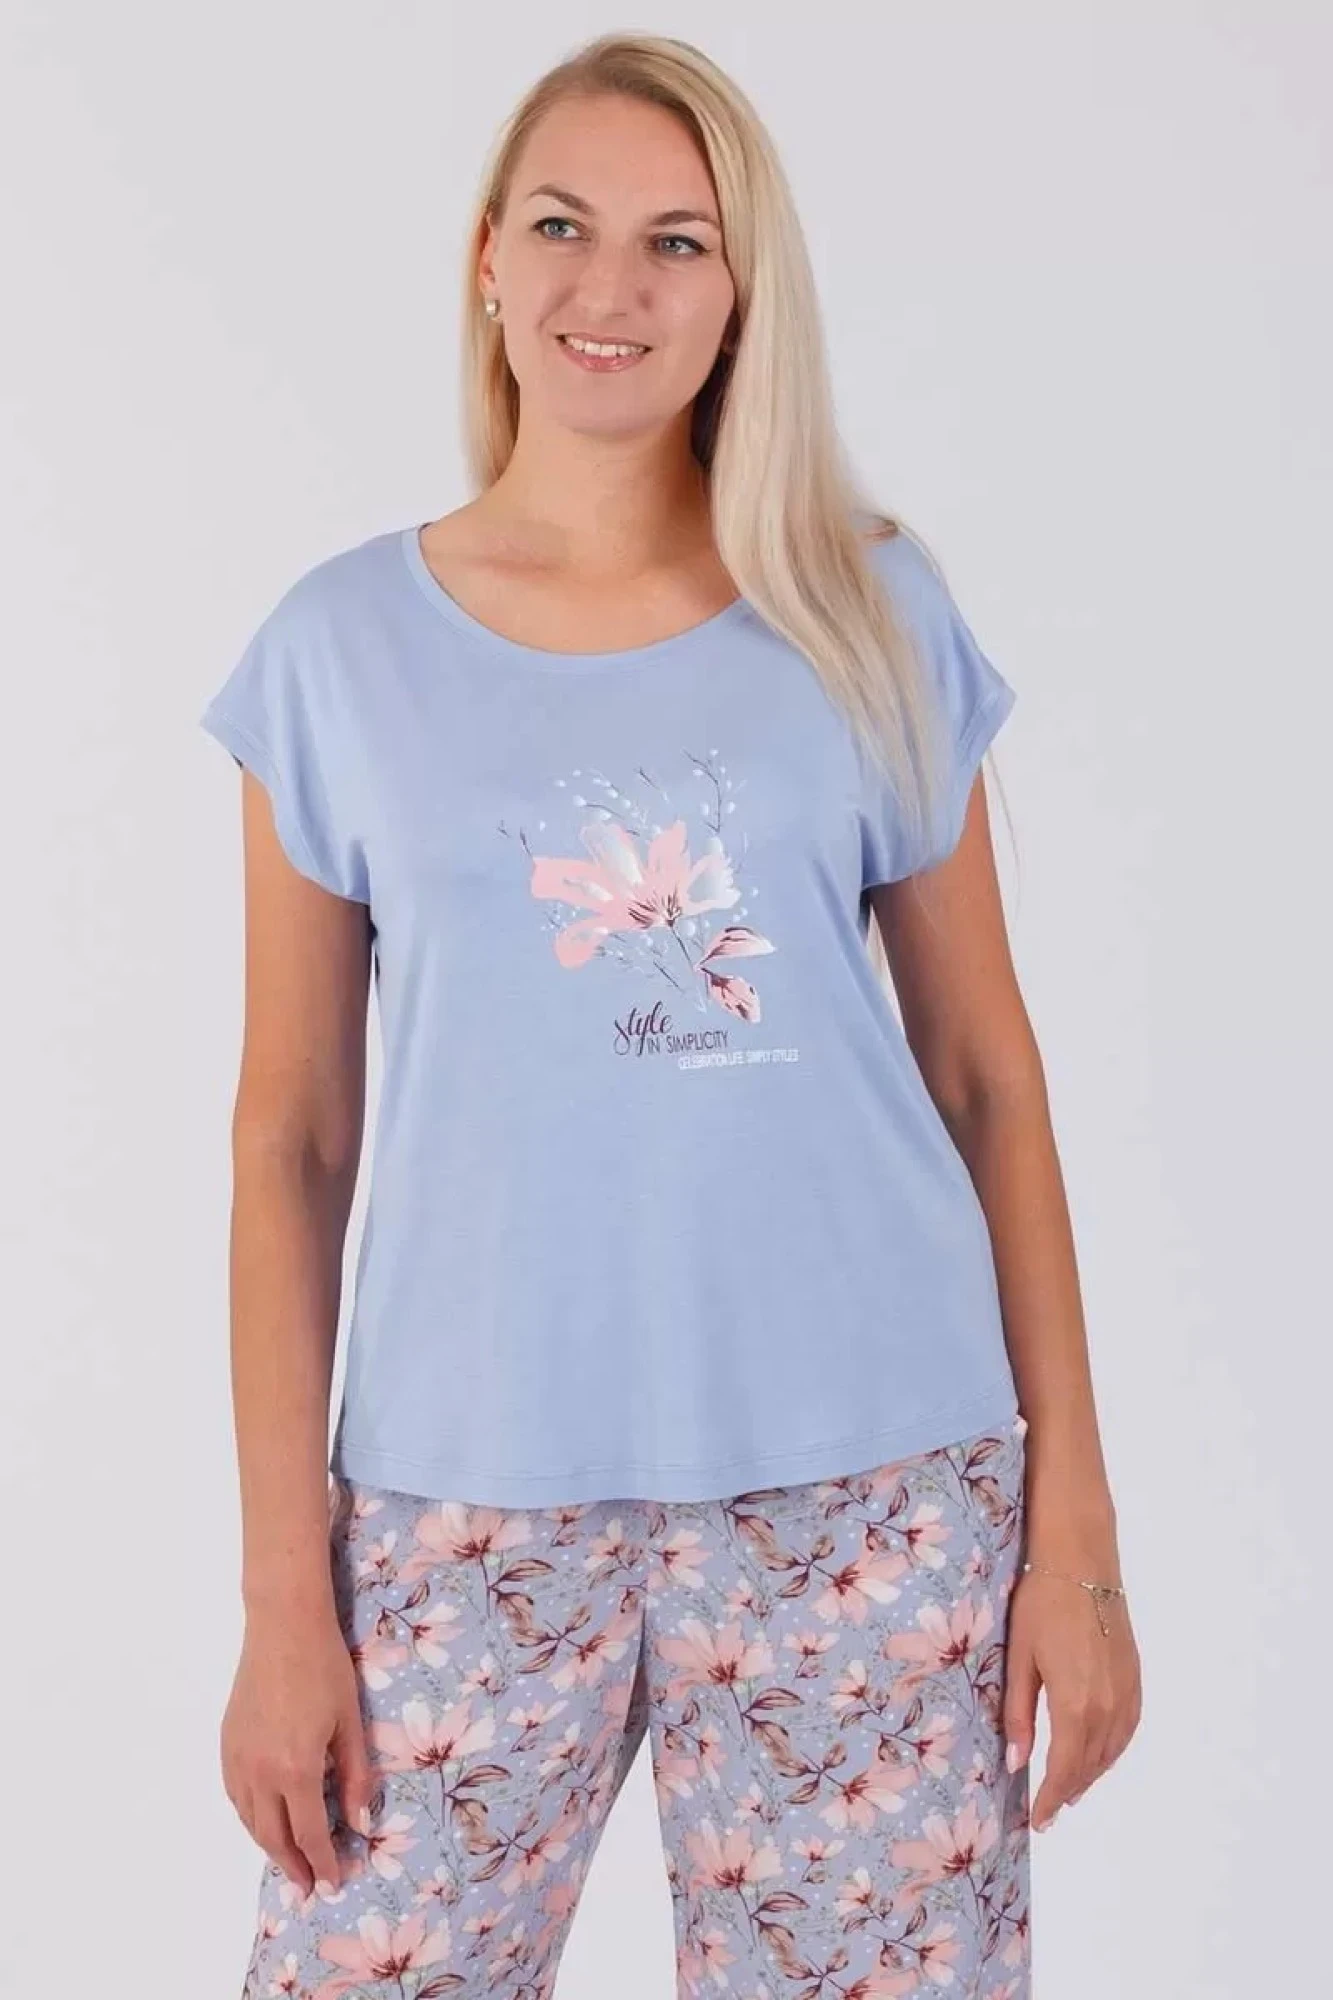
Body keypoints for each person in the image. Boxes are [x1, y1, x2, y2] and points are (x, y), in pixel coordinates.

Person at [199, 32, 1141, 1999]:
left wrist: (1077, 1534)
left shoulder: (866, 611)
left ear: (739, 293)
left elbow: (988, 1076)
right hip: (461, 1506)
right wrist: (288, 1596)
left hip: (867, 1492)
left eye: (675, 241)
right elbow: (290, 1139)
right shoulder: (339, 650)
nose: (607, 287)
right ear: (487, 256)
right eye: (562, 225)